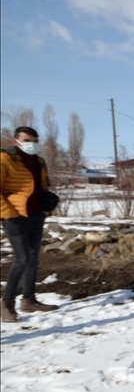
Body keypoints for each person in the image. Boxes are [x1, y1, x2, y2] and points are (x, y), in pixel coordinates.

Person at [1, 127, 59, 322]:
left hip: (36, 215)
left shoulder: (38, 161)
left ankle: (28, 300)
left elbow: (43, 188)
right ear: (15, 140)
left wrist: (46, 209)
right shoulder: (5, 159)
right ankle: (6, 303)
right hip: (15, 217)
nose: (31, 143)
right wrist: (9, 214)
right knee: (22, 258)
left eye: (34, 140)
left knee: (33, 258)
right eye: (27, 139)